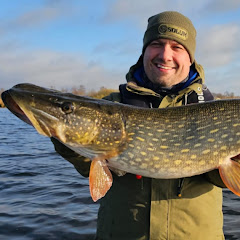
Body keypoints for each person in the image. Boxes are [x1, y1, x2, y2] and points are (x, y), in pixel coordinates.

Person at [51, 11, 226, 240]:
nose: (165, 55)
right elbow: (89, 167)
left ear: (190, 56)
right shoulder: (112, 106)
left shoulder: (214, 109)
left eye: (177, 47)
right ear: (144, 50)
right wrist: (62, 135)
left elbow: (224, 178)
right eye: (157, 44)